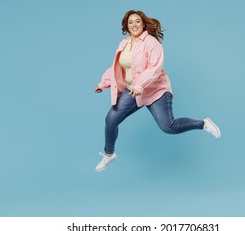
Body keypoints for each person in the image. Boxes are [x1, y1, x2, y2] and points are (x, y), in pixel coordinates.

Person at [94, 10, 221, 172]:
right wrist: (103, 83)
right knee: (111, 119)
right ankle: (109, 154)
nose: (134, 25)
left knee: (169, 127)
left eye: (137, 21)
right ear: (126, 25)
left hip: (156, 91)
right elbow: (117, 68)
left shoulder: (151, 43)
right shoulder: (124, 43)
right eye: (130, 22)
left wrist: (140, 86)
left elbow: (154, 68)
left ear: (143, 23)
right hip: (133, 91)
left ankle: (202, 124)